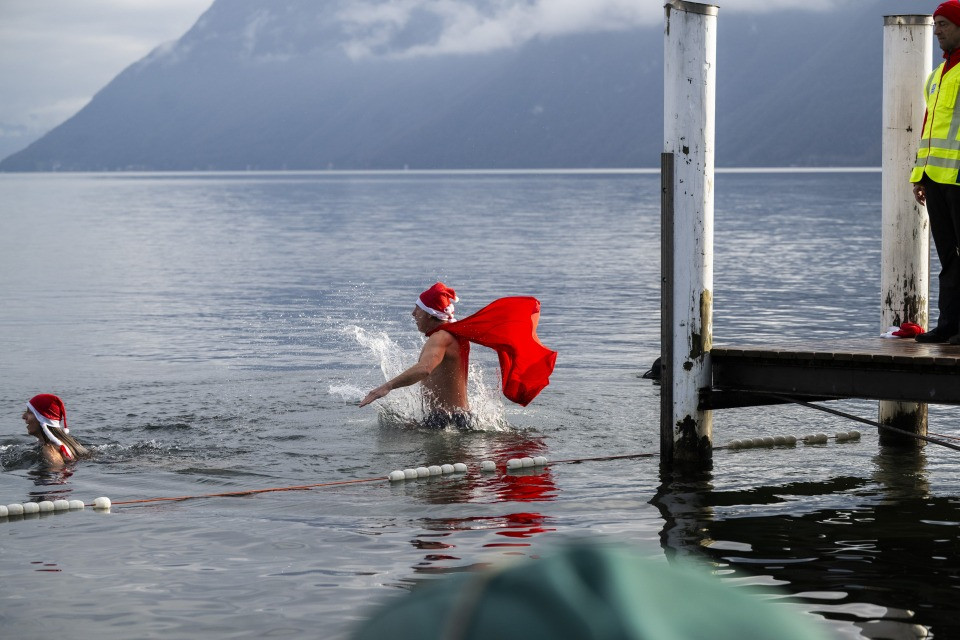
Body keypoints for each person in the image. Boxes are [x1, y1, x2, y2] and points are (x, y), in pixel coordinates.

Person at [359, 282, 557, 429]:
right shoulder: (454, 335)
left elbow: (425, 368)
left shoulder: (441, 338)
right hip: (460, 419)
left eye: (417, 310)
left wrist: (385, 387)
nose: (413, 314)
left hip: (444, 422)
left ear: (429, 314)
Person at [912, 1, 960, 343]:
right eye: (935, 24)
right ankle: (949, 327)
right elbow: (929, 126)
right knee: (948, 258)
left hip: (958, 178)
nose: (937, 30)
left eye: (943, 23)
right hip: (935, 178)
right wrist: (918, 174)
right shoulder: (936, 76)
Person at [22, 393, 88, 467]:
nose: (23, 416)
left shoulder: (49, 449)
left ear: (43, 420)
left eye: (30, 412)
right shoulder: (70, 442)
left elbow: (57, 474)